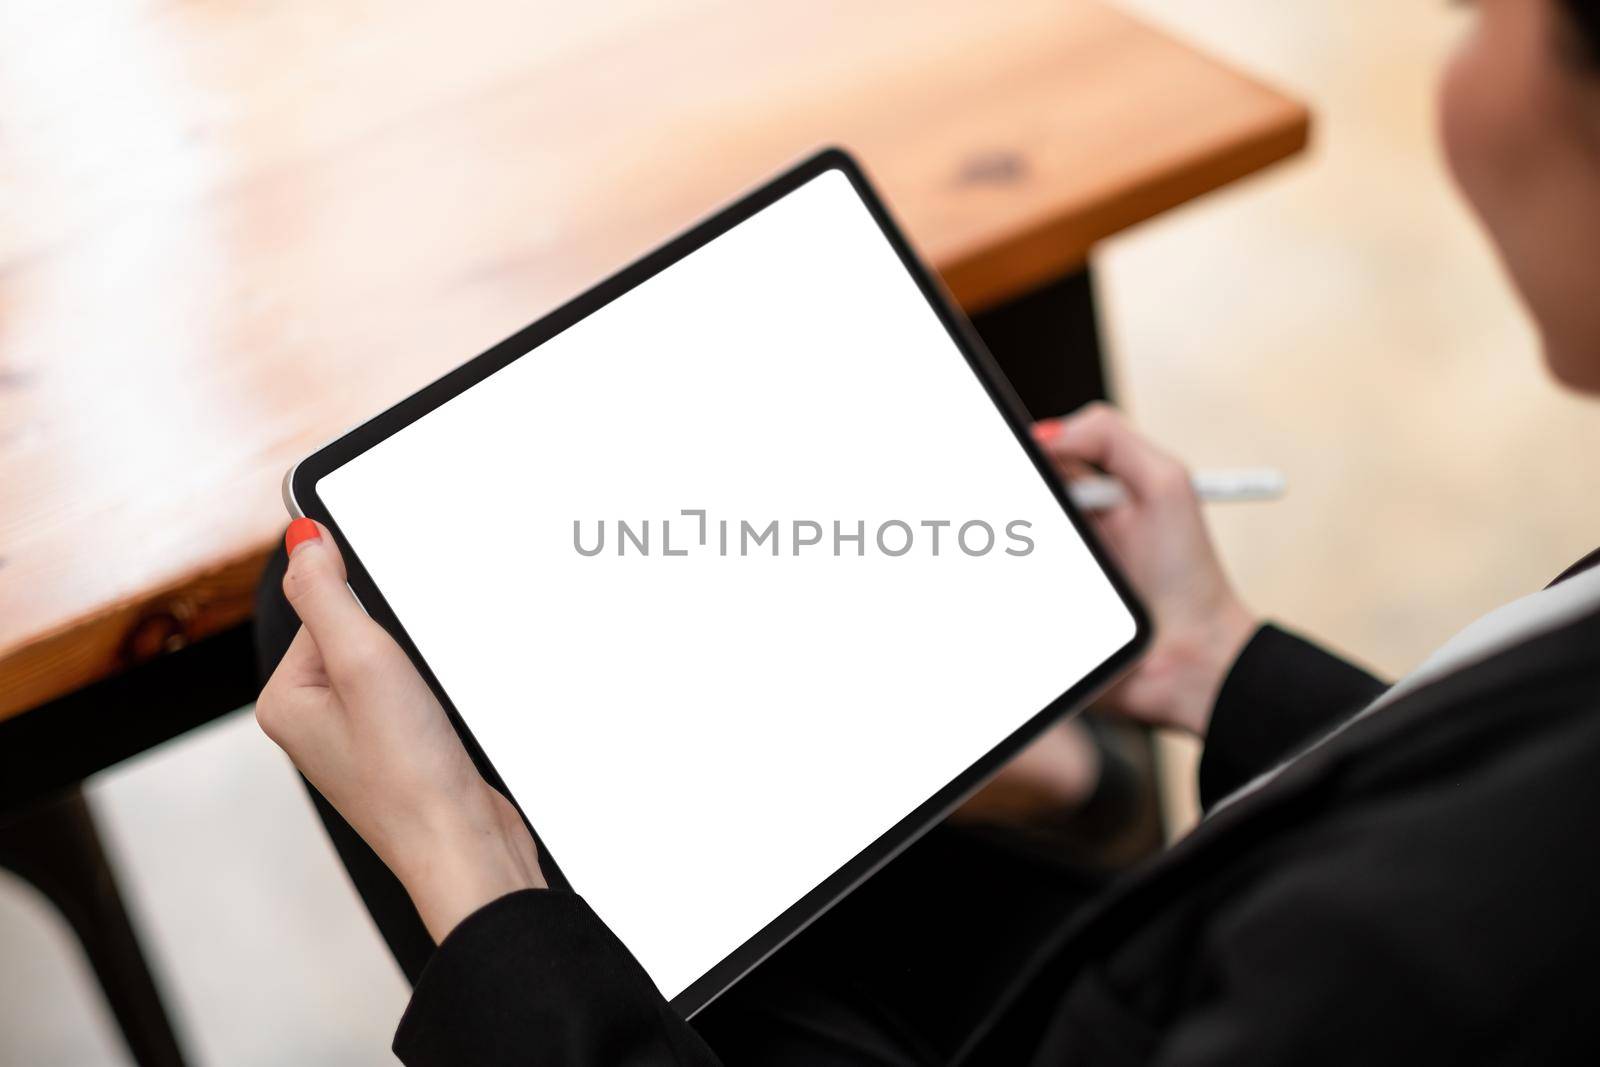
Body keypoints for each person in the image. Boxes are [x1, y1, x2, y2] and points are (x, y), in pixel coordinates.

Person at [254, 0, 1600, 1061]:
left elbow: (1451, 907)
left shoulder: (1434, 960)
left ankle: (1058, 789)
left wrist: (481, 900)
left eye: (1472, 10)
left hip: (1148, 998)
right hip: (1186, 955)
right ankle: (1068, 785)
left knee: (337, 604)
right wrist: (1224, 660)